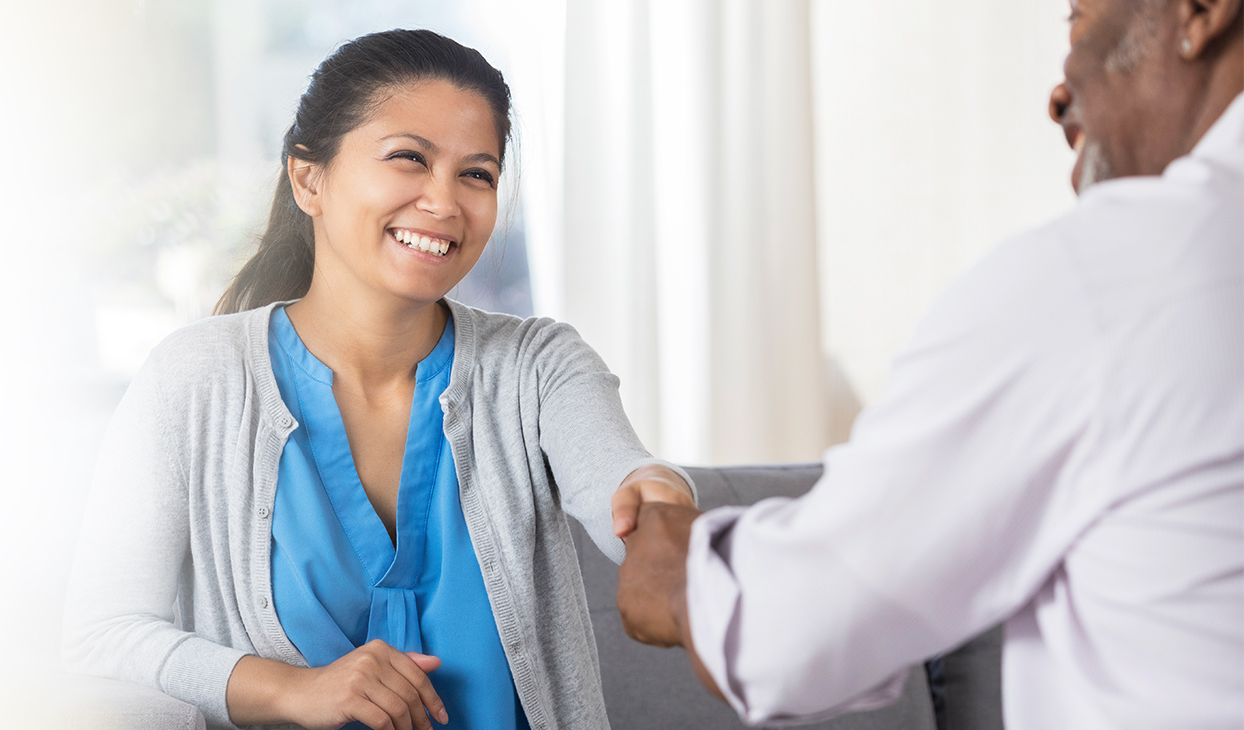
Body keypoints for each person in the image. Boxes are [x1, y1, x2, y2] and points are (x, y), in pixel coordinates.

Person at [614, 0, 1244, 728]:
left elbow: (796, 628)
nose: (1058, 92)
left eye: (1076, 18)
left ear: (1199, 11)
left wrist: (678, 568)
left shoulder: (1103, 278)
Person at [64, 29, 696, 730]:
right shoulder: (195, 380)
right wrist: (287, 689)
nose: (444, 202)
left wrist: (656, 505)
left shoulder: (537, 367)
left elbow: (620, 478)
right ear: (310, 179)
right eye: (409, 160)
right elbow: (103, 633)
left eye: (477, 174)